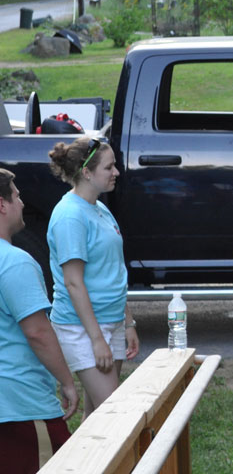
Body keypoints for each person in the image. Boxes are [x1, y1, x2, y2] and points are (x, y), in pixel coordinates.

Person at [47, 137, 139, 417]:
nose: (117, 173)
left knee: (97, 418)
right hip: (83, 329)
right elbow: (74, 283)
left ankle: (86, 463)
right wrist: (97, 340)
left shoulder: (99, 208)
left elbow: (112, 271)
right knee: (115, 416)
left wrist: (128, 322)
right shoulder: (70, 217)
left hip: (109, 323)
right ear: (86, 172)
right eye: (109, 167)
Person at [0, 169, 79, 473]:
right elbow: (37, 332)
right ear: (2, 204)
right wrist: (68, 382)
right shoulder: (15, 262)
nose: (22, 203)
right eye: (17, 196)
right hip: (20, 406)